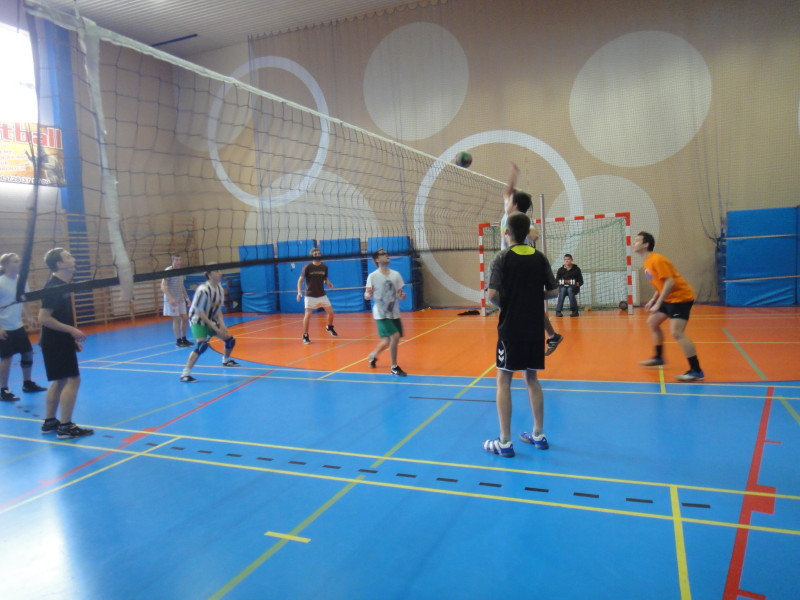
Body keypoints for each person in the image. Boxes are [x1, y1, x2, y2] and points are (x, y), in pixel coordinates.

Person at [484, 212, 558, 457]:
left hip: (511, 327)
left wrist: (510, 302)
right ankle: (539, 434)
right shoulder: (540, 257)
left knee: (503, 380)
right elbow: (554, 292)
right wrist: (532, 296)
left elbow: (492, 295)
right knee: (532, 378)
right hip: (534, 327)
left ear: (507, 232)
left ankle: (504, 442)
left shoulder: (502, 258)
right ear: (527, 233)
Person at [501, 162, 563, 356]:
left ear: (515, 205)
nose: (506, 201)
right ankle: (552, 335)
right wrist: (513, 174)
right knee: (530, 304)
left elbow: (534, 235)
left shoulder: (521, 220)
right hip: (511, 263)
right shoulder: (508, 214)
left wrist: (525, 232)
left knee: (519, 303)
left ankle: (520, 339)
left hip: (520, 265)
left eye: (510, 201)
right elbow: (507, 192)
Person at [633, 231, 704, 381]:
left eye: (637, 240)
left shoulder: (657, 259)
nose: (634, 243)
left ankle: (696, 370)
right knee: (652, 322)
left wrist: (658, 303)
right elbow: (660, 284)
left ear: (646, 244)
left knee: (677, 333)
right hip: (668, 298)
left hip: (680, 298)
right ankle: (658, 357)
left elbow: (670, 282)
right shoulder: (647, 262)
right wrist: (653, 299)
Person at [37, 248, 93, 439]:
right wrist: (72, 331)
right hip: (55, 341)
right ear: (59, 264)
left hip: (56, 340)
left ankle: (50, 422)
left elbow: (57, 316)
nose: (73, 258)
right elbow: (43, 318)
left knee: (60, 380)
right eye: (68, 257)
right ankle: (66, 427)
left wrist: (70, 339)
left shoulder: (61, 285)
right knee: (73, 379)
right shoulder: (54, 287)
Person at [0, 253, 47, 401]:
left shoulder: (21, 280)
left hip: (18, 325)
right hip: (4, 327)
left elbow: (24, 300)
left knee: (27, 353)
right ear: (5, 265)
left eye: (19, 261)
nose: (19, 263)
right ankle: (3, 390)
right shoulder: (1, 282)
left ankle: (27, 383)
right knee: (7, 358)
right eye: (15, 261)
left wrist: (29, 317)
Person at [180, 269, 239, 382]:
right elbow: (200, 312)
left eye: (219, 271)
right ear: (210, 275)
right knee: (202, 346)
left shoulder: (219, 289)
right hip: (198, 319)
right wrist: (215, 327)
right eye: (216, 271)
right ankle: (185, 374)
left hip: (210, 318)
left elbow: (218, 309)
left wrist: (222, 325)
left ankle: (226, 360)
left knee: (230, 340)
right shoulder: (203, 290)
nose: (220, 273)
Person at [364, 248, 407, 377]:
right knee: (395, 336)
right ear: (377, 260)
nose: (387, 256)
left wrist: (401, 296)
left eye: (387, 254)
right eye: (383, 255)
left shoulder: (396, 275)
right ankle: (394, 367)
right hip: (381, 313)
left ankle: (373, 355)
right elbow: (366, 295)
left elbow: (399, 294)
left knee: (388, 340)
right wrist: (368, 294)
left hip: (394, 312)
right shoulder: (372, 276)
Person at [296, 247, 337, 344]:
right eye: (315, 254)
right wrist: (299, 292)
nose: (318, 255)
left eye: (319, 253)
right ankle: (305, 335)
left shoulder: (324, 267)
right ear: (312, 256)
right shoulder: (307, 267)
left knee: (331, 313)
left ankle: (329, 327)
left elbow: (325, 279)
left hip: (322, 295)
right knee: (308, 315)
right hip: (310, 295)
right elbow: (300, 280)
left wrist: (328, 283)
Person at [161, 254, 192, 347]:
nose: (178, 262)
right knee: (177, 318)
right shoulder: (168, 271)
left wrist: (187, 298)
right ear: (172, 261)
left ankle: (184, 339)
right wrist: (171, 299)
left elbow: (182, 286)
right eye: (176, 260)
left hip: (180, 298)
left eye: (180, 260)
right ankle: (178, 341)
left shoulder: (181, 272)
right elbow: (163, 287)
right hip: (171, 299)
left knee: (185, 318)